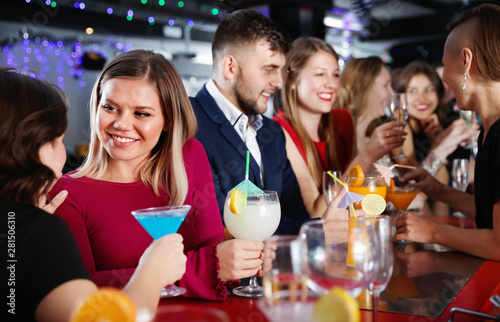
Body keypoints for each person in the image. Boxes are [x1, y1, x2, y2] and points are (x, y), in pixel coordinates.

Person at [50, 50, 261, 301]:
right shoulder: (67, 193)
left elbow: (214, 251)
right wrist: (203, 268)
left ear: (168, 120)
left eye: (142, 113)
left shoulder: (189, 158)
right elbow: (78, 291)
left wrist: (238, 258)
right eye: (110, 107)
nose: (122, 124)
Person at [0, 68, 186, 321]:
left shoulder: (21, 230)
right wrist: (152, 273)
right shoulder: (38, 230)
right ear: (30, 148)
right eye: (57, 140)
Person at [190, 9, 310, 234]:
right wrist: (314, 231)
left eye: (281, 70)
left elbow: (295, 211)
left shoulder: (272, 132)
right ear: (230, 68)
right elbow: (218, 225)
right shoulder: (188, 122)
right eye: (269, 69)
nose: (279, 83)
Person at [396, 3, 500, 261]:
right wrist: (440, 191)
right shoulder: (489, 130)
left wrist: (431, 232)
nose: (444, 81)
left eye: (446, 66)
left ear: (466, 61)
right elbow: (489, 215)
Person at [273, 40, 405, 218]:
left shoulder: (343, 120)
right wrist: (368, 155)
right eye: (320, 74)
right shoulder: (279, 130)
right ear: (291, 79)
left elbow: (351, 196)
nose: (331, 84)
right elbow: (318, 213)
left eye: (335, 75)